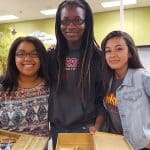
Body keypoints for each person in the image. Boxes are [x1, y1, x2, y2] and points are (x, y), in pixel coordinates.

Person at [47, 0, 106, 149]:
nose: (71, 26)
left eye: (78, 20)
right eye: (65, 21)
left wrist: (97, 127)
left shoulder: (98, 58)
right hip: (57, 130)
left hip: (86, 130)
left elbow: (102, 100)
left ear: (87, 24)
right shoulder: (51, 56)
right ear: (58, 24)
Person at [101, 30, 150, 150]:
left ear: (130, 53)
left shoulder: (141, 77)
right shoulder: (108, 81)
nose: (112, 55)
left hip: (139, 146)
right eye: (108, 50)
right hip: (116, 144)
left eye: (119, 49)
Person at [0, 36, 50, 137]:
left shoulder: (50, 85)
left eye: (35, 54)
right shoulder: (3, 87)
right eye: (21, 54)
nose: (28, 58)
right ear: (14, 58)